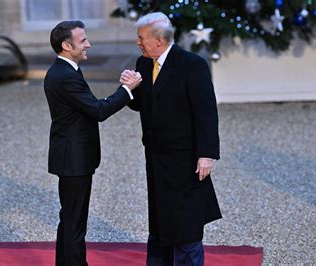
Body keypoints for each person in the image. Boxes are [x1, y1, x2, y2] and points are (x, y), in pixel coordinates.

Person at [121, 12, 222, 265]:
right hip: (155, 157)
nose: (138, 42)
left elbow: (206, 112)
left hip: (185, 158)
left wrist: (206, 154)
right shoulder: (143, 63)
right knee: (159, 219)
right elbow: (144, 104)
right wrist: (129, 90)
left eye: (141, 37)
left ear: (158, 40)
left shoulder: (192, 65)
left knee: (186, 223)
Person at [44, 20, 141, 265]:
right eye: (83, 40)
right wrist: (127, 89)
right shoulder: (66, 76)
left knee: (70, 219)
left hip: (71, 156)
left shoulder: (64, 70)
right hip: (73, 159)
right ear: (67, 45)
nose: (89, 44)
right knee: (74, 222)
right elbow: (99, 110)